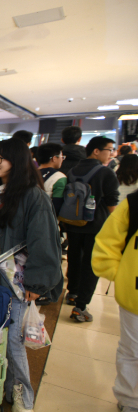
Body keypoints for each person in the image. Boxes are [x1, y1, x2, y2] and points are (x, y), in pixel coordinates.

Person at [0, 138, 62, 412]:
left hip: (18, 282)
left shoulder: (33, 197)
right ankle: (0, 385)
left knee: (14, 340)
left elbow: (44, 242)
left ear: (16, 162)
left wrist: (36, 284)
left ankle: (22, 393)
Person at [91, 193, 138, 412]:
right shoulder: (134, 203)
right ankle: (130, 399)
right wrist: (118, 275)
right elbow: (108, 241)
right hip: (135, 295)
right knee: (133, 349)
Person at [64, 136, 119, 322]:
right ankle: (81, 306)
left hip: (73, 222)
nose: (111, 153)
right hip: (95, 225)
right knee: (91, 264)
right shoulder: (106, 173)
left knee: (74, 257)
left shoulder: (73, 170)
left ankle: (72, 292)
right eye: (109, 149)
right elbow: (112, 203)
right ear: (96, 151)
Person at [36, 143, 67, 214]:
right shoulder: (59, 177)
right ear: (54, 158)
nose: (62, 160)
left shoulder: (27, 173)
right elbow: (57, 206)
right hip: (45, 219)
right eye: (62, 157)